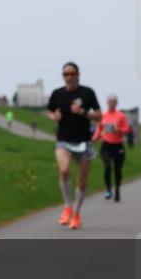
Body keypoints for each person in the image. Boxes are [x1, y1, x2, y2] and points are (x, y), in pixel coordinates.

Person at [46, 62, 101, 230]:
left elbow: (99, 116)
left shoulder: (87, 92)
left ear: (78, 74)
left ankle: (76, 214)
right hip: (63, 140)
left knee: (82, 181)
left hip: (84, 141)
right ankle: (67, 206)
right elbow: (49, 111)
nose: (69, 77)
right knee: (64, 170)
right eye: (65, 74)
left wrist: (83, 112)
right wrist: (53, 116)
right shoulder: (57, 94)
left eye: (72, 73)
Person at [92, 94, 132, 202]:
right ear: (107, 103)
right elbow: (99, 129)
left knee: (117, 170)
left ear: (116, 103)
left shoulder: (121, 116)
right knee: (108, 166)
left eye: (114, 102)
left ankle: (117, 190)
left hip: (118, 146)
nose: (112, 103)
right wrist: (95, 138)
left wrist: (118, 129)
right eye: (110, 101)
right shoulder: (103, 115)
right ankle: (108, 190)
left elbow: (127, 129)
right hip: (106, 146)